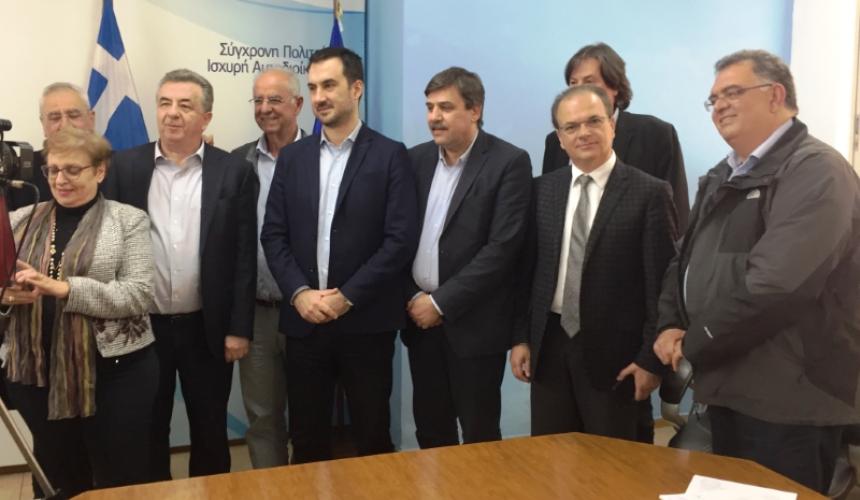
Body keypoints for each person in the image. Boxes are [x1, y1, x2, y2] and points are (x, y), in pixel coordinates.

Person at [653, 49, 860, 494]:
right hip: (728, 387)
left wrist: (694, 342)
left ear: (775, 95)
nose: (719, 106)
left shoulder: (817, 170)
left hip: (791, 397)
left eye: (732, 92)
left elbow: (776, 287)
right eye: (713, 99)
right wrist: (669, 322)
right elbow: (682, 260)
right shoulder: (721, 176)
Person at [261, 47, 418, 464]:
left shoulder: (390, 155)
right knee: (307, 441)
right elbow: (273, 234)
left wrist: (347, 296)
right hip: (305, 323)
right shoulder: (293, 158)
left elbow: (399, 241)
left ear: (357, 88)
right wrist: (299, 294)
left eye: (329, 85)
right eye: (313, 87)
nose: (319, 97)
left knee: (371, 439)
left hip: (366, 324)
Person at [102, 69, 258, 480]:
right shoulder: (124, 167)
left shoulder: (234, 172)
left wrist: (239, 328)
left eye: (185, 105)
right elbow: (109, 248)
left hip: (207, 327)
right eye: (165, 103)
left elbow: (244, 257)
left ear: (206, 118)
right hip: (142, 328)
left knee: (210, 429)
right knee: (148, 428)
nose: (172, 113)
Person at [511, 84, 677, 440]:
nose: (583, 133)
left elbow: (662, 285)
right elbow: (527, 273)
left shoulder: (649, 192)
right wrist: (521, 338)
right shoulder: (542, 191)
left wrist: (650, 361)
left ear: (612, 125)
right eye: (571, 127)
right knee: (551, 455)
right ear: (560, 138)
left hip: (618, 356)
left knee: (614, 461)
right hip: (550, 346)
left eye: (593, 121)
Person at [1, 127, 156, 497]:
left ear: (99, 171)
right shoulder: (20, 219)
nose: (60, 179)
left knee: (120, 478)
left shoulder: (129, 220)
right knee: (57, 476)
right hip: (39, 376)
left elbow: (138, 294)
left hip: (116, 375)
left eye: (72, 169)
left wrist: (65, 288)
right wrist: (6, 295)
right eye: (53, 170)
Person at [403, 67, 531, 448]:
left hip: (475, 327)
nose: (434, 117)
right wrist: (415, 298)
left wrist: (440, 303)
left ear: (475, 110)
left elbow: (502, 249)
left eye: (445, 107)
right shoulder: (415, 160)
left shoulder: (508, 162)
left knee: (479, 436)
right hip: (419, 322)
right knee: (430, 430)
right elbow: (398, 237)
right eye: (429, 107)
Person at [231, 67, 306, 469]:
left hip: (308, 311)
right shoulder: (237, 162)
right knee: (262, 417)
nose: (265, 108)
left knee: (311, 415)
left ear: (298, 104)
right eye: (258, 100)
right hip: (257, 312)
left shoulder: (321, 157)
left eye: (274, 99)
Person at [542, 43, 689, 233]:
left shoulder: (655, 134)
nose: (579, 91)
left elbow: (677, 216)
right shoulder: (555, 142)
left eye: (589, 82)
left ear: (615, 87)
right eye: (573, 83)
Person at [8, 83, 96, 210]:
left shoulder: (119, 167)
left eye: (73, 115)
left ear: (91, 119)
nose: (65, 125)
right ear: (43, 124)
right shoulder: (17, 170)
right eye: (55, 118)